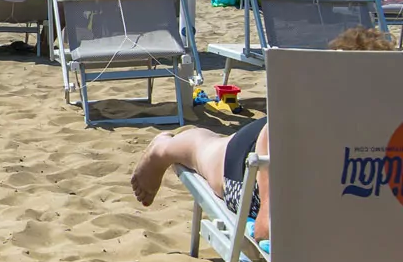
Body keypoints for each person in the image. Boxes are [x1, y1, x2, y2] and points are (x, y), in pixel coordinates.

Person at [130, 26, 392, 242]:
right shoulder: (288, 133)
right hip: (245, 171)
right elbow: (265, 229)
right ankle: (162, 149)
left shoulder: (390, 133)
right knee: (204, 148)